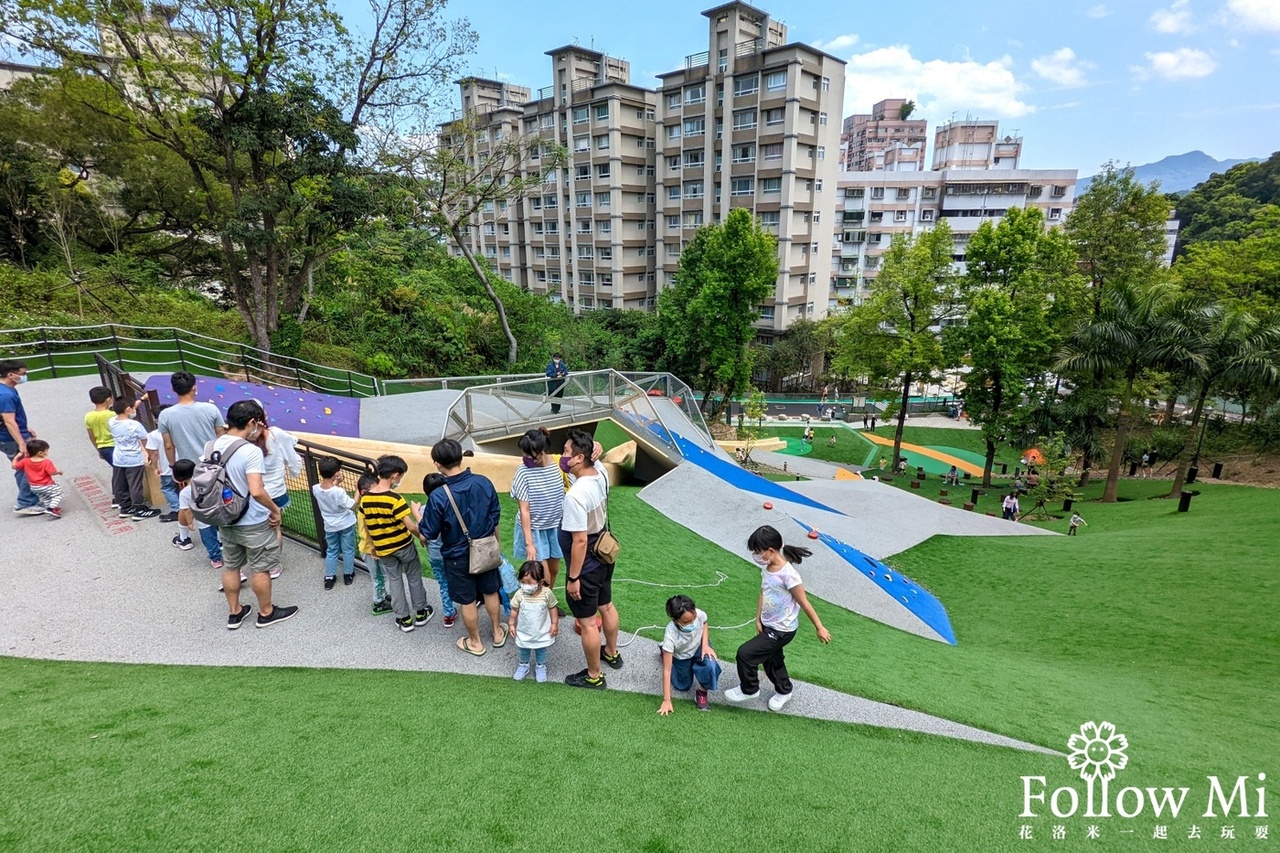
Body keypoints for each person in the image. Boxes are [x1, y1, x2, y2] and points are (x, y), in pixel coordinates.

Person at [210, 399, 298, 629]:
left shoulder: (213, 445)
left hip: (225, 516)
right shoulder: (250, 450)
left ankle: (235, 612)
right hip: (252, 519)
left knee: (231, 566)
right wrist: (274, 509)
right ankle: (266, 613)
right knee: (260, 568)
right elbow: (257, 490)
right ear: (251, 422)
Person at [724, 525, 830, 711]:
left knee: (746, 654)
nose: (756, 556)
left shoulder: (789, 575)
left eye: (758, 552)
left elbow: (804, 602)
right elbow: (763, 593)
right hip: (768, 625)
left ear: (771, 551)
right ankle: (784, 690)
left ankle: (749, 689)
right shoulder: (767, 568)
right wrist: (758, 620)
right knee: (772, 659)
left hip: (782, 629)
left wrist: (819, 627)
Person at [415, 439, 503, 656]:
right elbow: (495, 514)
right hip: (485, 548)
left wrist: (416, 518)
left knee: (467, 599)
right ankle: (497, 632)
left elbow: (429, 532)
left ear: (437, 463)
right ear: (460, 457)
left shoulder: (438, 496)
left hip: (456, 554)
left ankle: (475, 642)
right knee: (490, 590)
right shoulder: (483, 482)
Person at [558, 428, 622, 689]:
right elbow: (596, 451)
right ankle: (612, 652)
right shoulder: (601, 473)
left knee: (586, 623)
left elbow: (580, 540)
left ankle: (594, 675)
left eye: (565, 452)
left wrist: (574, 578)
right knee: (606, 605)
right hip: (605, 553)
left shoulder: (575, 496)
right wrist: (596, 444)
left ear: (579, 458)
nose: (562, 456)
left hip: (587, 563)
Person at [362, 455, 432, 633]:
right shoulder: (395, 499)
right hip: (404, 546)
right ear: (395, 475)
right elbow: (409, 526)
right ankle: (421, 611)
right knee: (413, 576)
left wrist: (373, 546)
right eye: (401, 476)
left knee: (394, 580)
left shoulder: (365, 499)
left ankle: (404, 618)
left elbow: (368, 525)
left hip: (383, 549)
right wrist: (421, 536)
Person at [511, 428, 566, 589]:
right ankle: (542, 608)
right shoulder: (522, 472)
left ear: (542, 452)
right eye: (524, 454)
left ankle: (547, 599)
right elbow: (524, 510)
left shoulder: (558, 464)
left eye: (530, 455)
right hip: (534, 530)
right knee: (543, 573)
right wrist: (529, 543)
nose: (526, 459)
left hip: (554, 527)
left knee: (554, 569)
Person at [657, 594, 721, 716]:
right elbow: (667, 671)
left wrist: (706, 645)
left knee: (711, 665)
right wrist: (667, 700)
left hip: (698, 646)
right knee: (682, 686)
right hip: (681, 655)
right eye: (687, 622)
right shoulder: (671, 634)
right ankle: (665, 652)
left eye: (693, 618)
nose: (692, 622)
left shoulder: (698, 614)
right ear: (675, 620)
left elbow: (705, 621)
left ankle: (702, 693)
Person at [158, 371, 225, 469]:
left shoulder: (165, 415)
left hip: (187, 467)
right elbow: (221, 436)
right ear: (194, 387)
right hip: (212, 463)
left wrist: (173, 467)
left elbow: (168, 445)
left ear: (173, 389)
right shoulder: (211, 409)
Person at [0, 359, 42, 515]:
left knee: (25, 466)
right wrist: (22, 443)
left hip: (10, 434)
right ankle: (26, 502)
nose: (25, 376)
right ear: (11, 375)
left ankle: (30, 498)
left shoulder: (7, 390)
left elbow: (11, 417)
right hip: (9, 438)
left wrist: (24, 428)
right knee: (25, 467)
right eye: (23, 373)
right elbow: (9, 422)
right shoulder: (5, 395)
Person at [508, 561, 560, 683]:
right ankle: (523, 665)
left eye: (530, 583)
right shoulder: (520, 594)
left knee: (541, 648)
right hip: (524, 629)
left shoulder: (546, 593)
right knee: (523, 648)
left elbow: (553, 607)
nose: (526, 585)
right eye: (523, 582)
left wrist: (554, 624)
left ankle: (541, 666)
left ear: (540, 582)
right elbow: (515, 609)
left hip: (542, 630)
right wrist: (511, 623)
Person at [108, 397, 158, 519]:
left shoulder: (112, 421)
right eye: (132, 408)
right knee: (135, 485)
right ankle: (139, 509)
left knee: (120, 483)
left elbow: (125, 410)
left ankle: (125, 507)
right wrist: (151, 455)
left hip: (118, 458)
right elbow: (145, 441)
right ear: (128, 409)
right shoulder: (135, 425)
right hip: (133, 459)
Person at [312, 456, 357, 590]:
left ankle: (329, 577)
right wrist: (358, 491)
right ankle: (348, 574)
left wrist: (335, 483)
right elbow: (352, 505)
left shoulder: (315, 488)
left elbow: (328, 493)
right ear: (336, 472)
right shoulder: (339, 492)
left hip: (330, 526)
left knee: (332, 550)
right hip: (346, 524)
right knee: (348, 549)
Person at [420, 473, 457, 628]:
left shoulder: (423, 509)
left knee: (443, 584)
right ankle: (471, 603)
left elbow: (424, 532)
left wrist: (416, 512)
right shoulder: (451, 506)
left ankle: (448, 614)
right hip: (453, 553)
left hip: (435, 555)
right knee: (463, 579)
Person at [172, 459, 223, 570]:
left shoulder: (185, 492)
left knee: (209, 540)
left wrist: (190, 523)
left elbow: (187, 510)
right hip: (216, 513)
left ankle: (216, 559)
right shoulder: (207, 483)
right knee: (220, 532)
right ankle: (223, 546)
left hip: (203, 520)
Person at [355, 472, 392, 616]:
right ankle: (379, 602)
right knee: (378, 577)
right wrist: (373, 548)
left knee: (381, 576)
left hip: (371, 549)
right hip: (371, 550)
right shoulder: (365, 510)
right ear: (364, 493)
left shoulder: (365, 506)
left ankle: (382, 596)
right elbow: (368, 533)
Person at [145, 405, 180, 522]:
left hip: (167, 467)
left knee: (167, 488)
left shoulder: (153, 435)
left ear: (156, 419)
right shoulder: (179, 430)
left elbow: (153, 454)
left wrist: (155, 467)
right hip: (184, 465)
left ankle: (176, 509)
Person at [11, 439, 63, 519]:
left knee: (46, 497)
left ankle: (49, 507)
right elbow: (52, 472)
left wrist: (16, 457)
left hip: (34, 487)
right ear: (40, 453)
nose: (47, 453)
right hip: (46, 485)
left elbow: (14, 467)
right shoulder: (46, 462)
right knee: (58, 494)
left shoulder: (25, 461)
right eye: (46, 451)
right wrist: (58, 472)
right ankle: (50, 509)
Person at [84, 386, 115, 469]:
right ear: (109, 400)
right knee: (122, 471)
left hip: (103, 448)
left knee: (118, 470)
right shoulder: (113, 415)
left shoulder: (88, 416)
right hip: (116, 446)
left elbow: (91, 436)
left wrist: (98, 449)